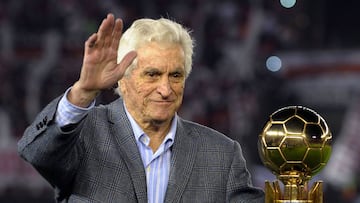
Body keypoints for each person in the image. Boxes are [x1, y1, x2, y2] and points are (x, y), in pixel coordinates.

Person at [17, 13, 264, 203]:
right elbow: (36, 153)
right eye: (152, 75)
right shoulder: (83, 134)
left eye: (175, 75)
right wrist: (82, 91)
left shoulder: (222, 154)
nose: (166, 89)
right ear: (122, 78)